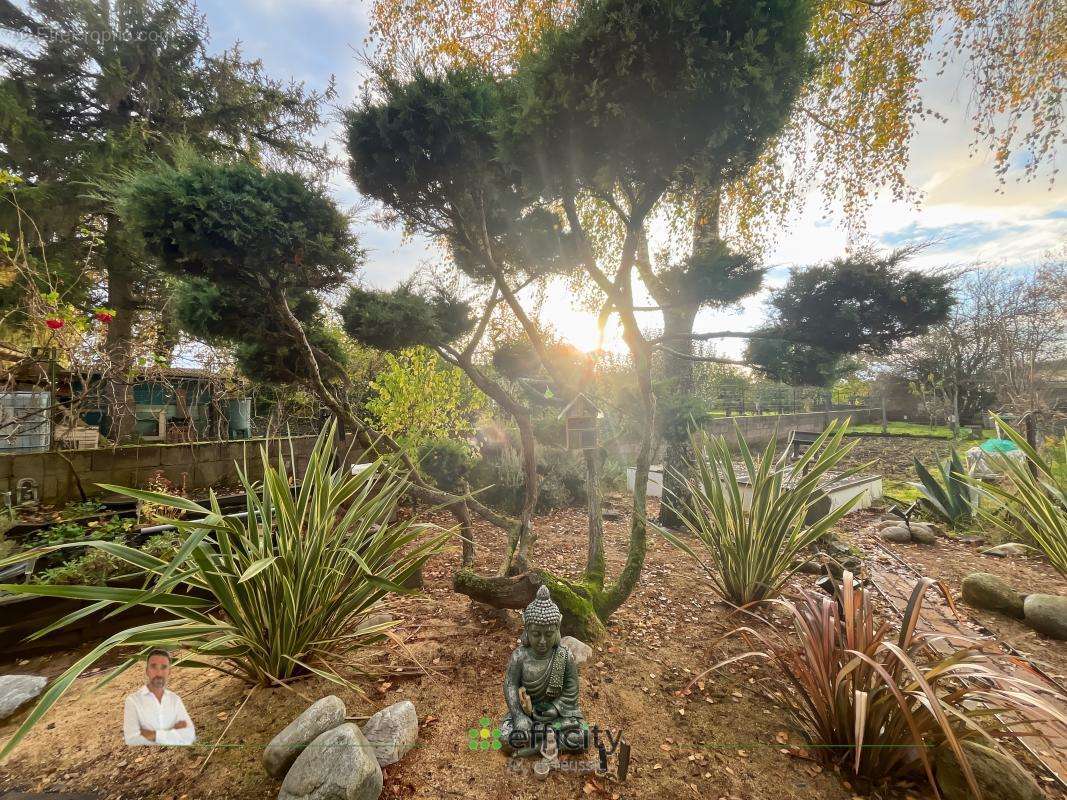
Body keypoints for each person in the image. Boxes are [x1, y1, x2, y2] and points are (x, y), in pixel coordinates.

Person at [123, 648, 196, 746]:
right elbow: (131, 738)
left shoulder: (175, 699)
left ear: (169, 672)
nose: (159, 673)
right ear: (147, 671)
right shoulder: (133, 701)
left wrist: (151, 733)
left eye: (164, 667)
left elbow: (189, 735)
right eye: (153, 667)